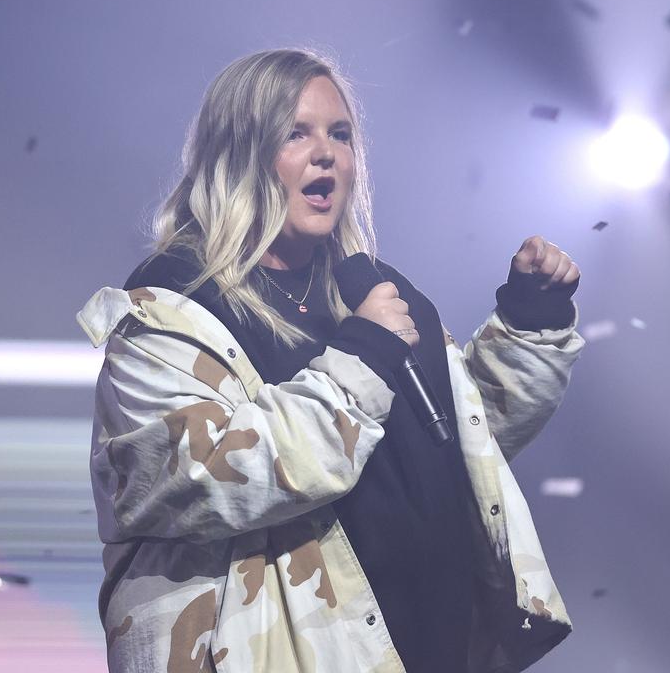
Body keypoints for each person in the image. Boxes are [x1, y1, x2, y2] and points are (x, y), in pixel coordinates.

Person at [76, 49, 584, 673]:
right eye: (296, 133)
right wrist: (362, 358)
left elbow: (459, 441)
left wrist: (531, 321)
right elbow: (196, 477)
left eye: (340, 134)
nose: (327, 154)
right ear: (239, 152)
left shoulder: (368, 288)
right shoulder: (174, 304)